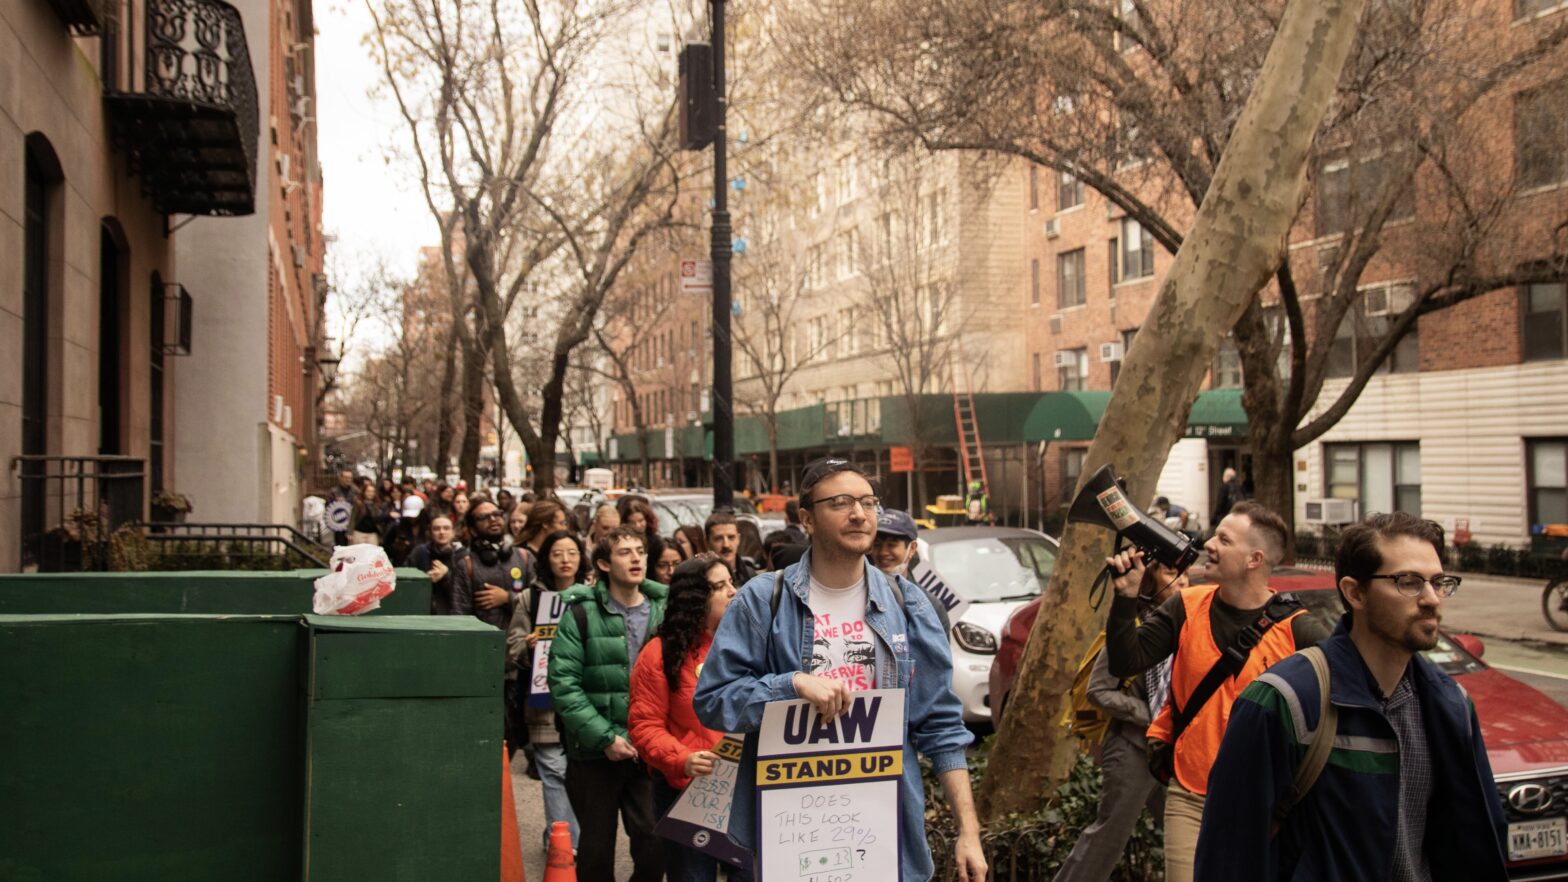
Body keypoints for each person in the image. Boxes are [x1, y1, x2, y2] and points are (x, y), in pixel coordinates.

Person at [693, 457, 988, 882]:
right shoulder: (762, 601)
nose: (859, 513)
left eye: (868, 502)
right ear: (806, 518)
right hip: (787, 829)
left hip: (883, 831)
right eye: (841, 502)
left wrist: (968, 831)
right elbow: (713, 701)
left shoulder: (909, 605)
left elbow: (940, 725)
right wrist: (790, 685)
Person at [1195, 513, 1507, 881]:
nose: (1430, 599)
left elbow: (1475, 847)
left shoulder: (1450, 704)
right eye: (1408, 582)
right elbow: (1228, 857)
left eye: (1439, 583)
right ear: (1354, 592)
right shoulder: (1284, 701)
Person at [1104, 501, 1330, 882]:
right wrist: (1125, 599)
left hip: (1265, 805)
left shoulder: (1300, 631)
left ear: (1254, 558)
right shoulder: (1186, 606)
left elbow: (1331, 714)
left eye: (1224, 539)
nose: (1208, 543)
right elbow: (1126, 662)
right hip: (1191, 797)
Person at [1051, 562, 1189, 882]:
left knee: (1189, 833)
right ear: (1151, 581)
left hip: (1170, 750)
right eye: (1172, 574)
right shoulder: (1132, 625)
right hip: (1132, 749)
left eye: (1185, 574)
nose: (1182, 582)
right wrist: (1153, 715)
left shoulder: (1185, 623)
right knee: (1107, 840)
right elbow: (1098, 691)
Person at [547, 527, 668, 882]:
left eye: (641, 551)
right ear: (603, 563)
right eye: (624, 552)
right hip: (595, 753)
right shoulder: (580, 614)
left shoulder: (664, 610)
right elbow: (564, 685)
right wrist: (606, 738)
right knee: (596, 851)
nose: (636, 558)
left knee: (654, 843)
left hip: (647, 749)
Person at [628, 555, 739, 882]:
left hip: (742, 790)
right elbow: (644, 726)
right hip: (687, 792)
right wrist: (683, 759)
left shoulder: (744, 645)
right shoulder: (659, 653)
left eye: (731, 582)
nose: (733, 592)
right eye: (720, 586)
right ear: (695, 599)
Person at [506, 529, 588, 853]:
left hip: (584, 698)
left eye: (572, 553)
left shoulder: (592, 597)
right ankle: (565, 844)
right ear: (546, 559)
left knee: (580, 774)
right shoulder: (531, 598)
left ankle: (567, 834)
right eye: (557, 554)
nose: (565, 560)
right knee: (554, 771)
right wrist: (526, 646)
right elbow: (512, 645)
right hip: (544, 701)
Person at [870, 508, 951, 631]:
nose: (883, 552)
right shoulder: (860, 595)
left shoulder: (929, 606)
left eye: (892, 545)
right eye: (877, 545)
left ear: (912, 549)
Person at [408, 513, 463, 614]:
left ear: (453, 532)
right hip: (422, 610)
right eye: (436, 529)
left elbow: (463, 592)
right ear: (429, 532)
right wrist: (423, 580)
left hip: (451, 612)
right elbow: (407, 581)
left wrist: (446, 575)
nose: (441, 532)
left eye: (446, 528)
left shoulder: (462, 556)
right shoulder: (420, 552)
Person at [703, 511, 757, 584]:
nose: (726, 545)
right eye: (718, 539)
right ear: (707, 542)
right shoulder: (701, 578)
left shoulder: (751, 576)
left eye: (731, 537)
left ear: (738, 539)